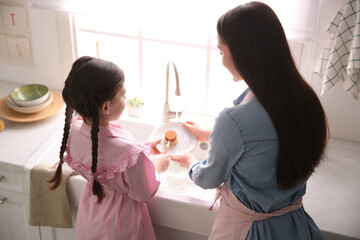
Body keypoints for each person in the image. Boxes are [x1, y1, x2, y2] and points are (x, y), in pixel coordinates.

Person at [171, 2, 328, 240]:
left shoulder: (234, 121)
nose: (222, 60)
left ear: (243, 53)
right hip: (294, 226)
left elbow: (209, 177)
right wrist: (212, 134)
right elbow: (268, 142)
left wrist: (191, 163)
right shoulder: (306, 102)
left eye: (222, 51)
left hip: (247, 231)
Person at [47, 56, 170, 240]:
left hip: (91, 219)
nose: (126, 99)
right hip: (123, 227)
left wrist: (145, 149)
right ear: (105, 107)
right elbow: (143, 192)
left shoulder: (73, 130)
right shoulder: (128, 152)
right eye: (123, 94)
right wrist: (157, 166)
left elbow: (109, 157)